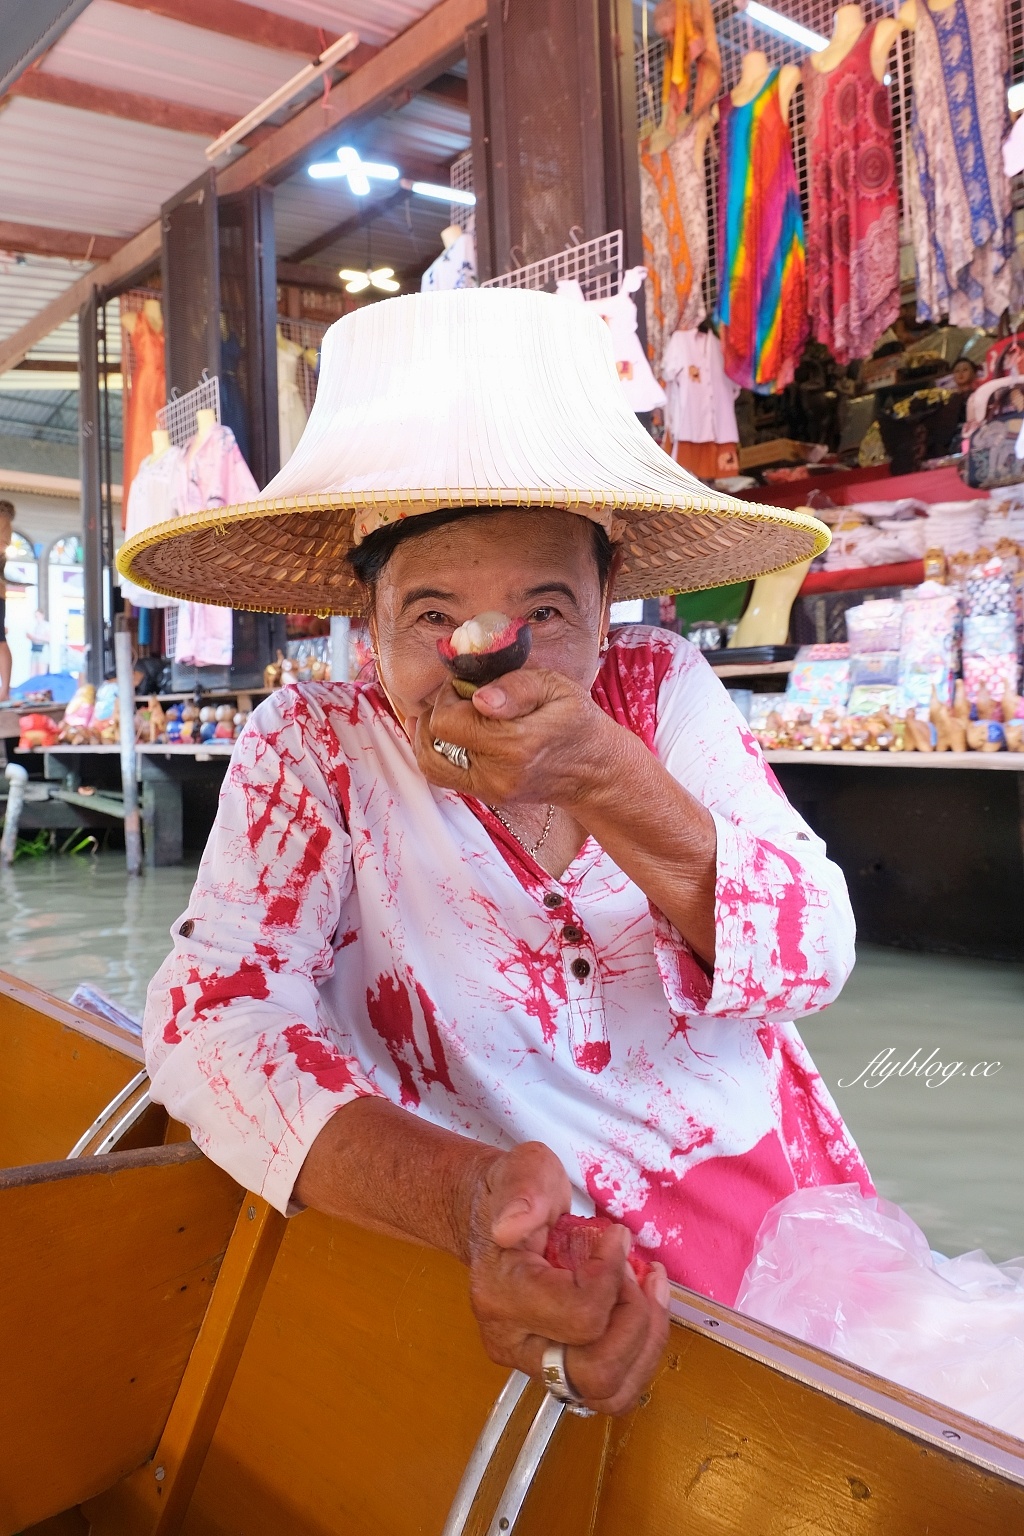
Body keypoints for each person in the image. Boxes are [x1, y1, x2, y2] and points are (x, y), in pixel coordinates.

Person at [123, 289, 869, 1419]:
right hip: (525, 1259)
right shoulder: (317, 747)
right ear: (362, 613)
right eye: (432, 615)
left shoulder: (658, 691)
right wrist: (464, 1200)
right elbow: (211, 1017)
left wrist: (606, 778)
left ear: (609, 597)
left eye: (545, 610)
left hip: (789, 1241)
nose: (487, 662)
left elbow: (814, 954)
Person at [0, 500, 14, 702]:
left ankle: (4, 691)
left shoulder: (3, 522)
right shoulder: (6, 524)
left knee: (1, 642)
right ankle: (4, 691)